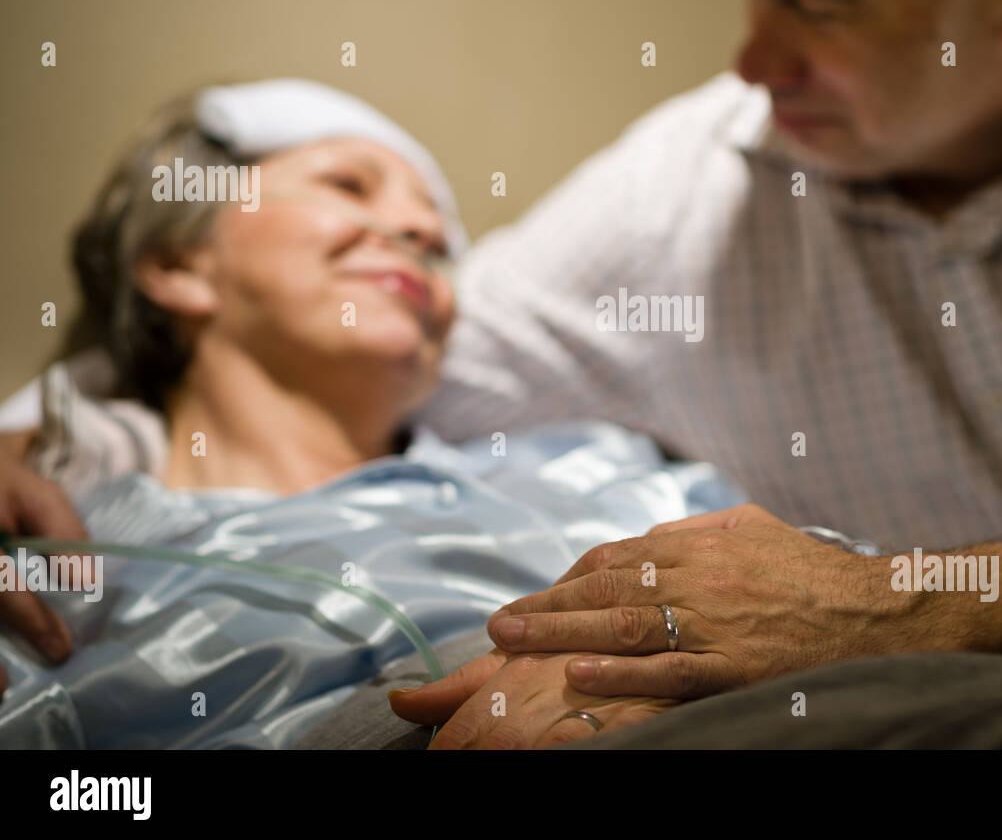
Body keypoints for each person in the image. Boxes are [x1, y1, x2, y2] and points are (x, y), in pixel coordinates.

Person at [3, 0, 1002, 748]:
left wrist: (856, 611)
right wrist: (40, 441)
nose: (749, 59)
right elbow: (306, 369)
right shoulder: (687, 187)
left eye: (822, 3)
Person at [0, 80, 775, 747]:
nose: (422, 230)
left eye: (436, 243)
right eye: (349, 185)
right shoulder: (58, 563)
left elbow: (826, 599)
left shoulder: (604, 470)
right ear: (175, 263)